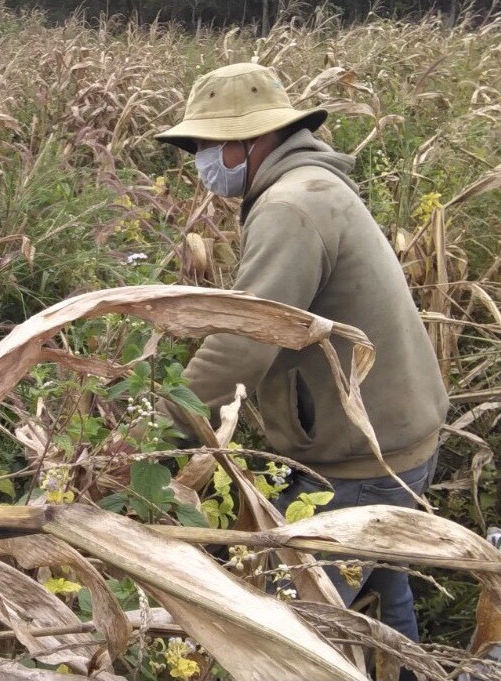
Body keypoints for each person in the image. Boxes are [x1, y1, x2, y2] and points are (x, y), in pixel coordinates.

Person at [153, 63, 448, 650]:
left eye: (210, 145)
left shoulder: (291, 205)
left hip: (358, 463)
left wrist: (157, 421)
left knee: (300, 627)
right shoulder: (313, 185)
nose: (202, 160)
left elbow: (246, 338)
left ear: (253, 140)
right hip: (396, 440)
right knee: (384, 600)